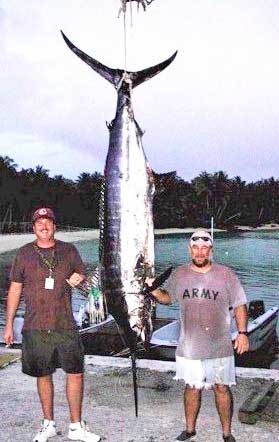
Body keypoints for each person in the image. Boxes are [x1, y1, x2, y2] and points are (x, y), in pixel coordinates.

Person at [4, 207, 101, 442]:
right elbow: (15, 289)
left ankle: (76, 427)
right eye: (40, 223)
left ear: (55, 227)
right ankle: (48, 424)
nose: (44, 226)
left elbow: (86, 284)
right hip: (35, 326)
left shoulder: (69, 251)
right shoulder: (23, 254)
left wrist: (81, 281)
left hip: (66, 324)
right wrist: (8, 324)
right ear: (33, 227)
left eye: (48, 222)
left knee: (75, 374)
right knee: (43, 375)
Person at [146, 229, 249, 442]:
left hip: (219, 344)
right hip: (189, 346)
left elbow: (240, 304)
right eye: (195, 247)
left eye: (204, 248)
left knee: (222, 388)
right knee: (192, 387)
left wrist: (242, 333)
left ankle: (227, 433)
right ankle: (190, 430)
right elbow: (167, 298)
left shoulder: (226, 274)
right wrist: (153, 290)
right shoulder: (179, 274)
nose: (200, 252)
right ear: (189, 249)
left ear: (211, 250)